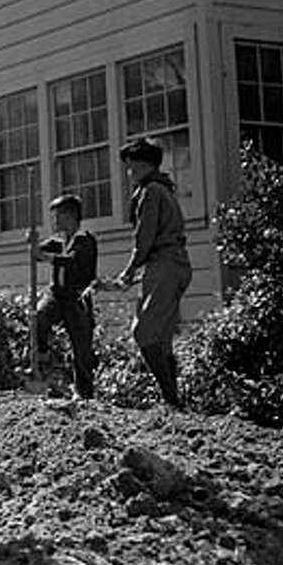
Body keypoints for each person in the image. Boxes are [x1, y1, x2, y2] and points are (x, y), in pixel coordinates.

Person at [112, 137, 192, 408]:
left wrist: (128, 271)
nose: (129, 173)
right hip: (177, 263)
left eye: (131, 167)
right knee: (163, 338)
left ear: (143, 165)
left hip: (164, 264)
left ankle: (171, 400)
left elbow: (143, 240)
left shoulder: (150, 192)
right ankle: (175, 402)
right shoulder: (165, 188)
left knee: (143, 333)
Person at [32, 194, 99, 399]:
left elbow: (72, 262)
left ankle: (84, 393)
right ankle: (43, 359)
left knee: (81, 346)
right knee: (40, 316)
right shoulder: (59, 241)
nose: (54, 221)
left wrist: (48, 258)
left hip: (77, 297)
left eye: (57, 216)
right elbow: (38, 251)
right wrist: (33, 244)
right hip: (57, 294)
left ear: (70, 216)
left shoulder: (85, 240)